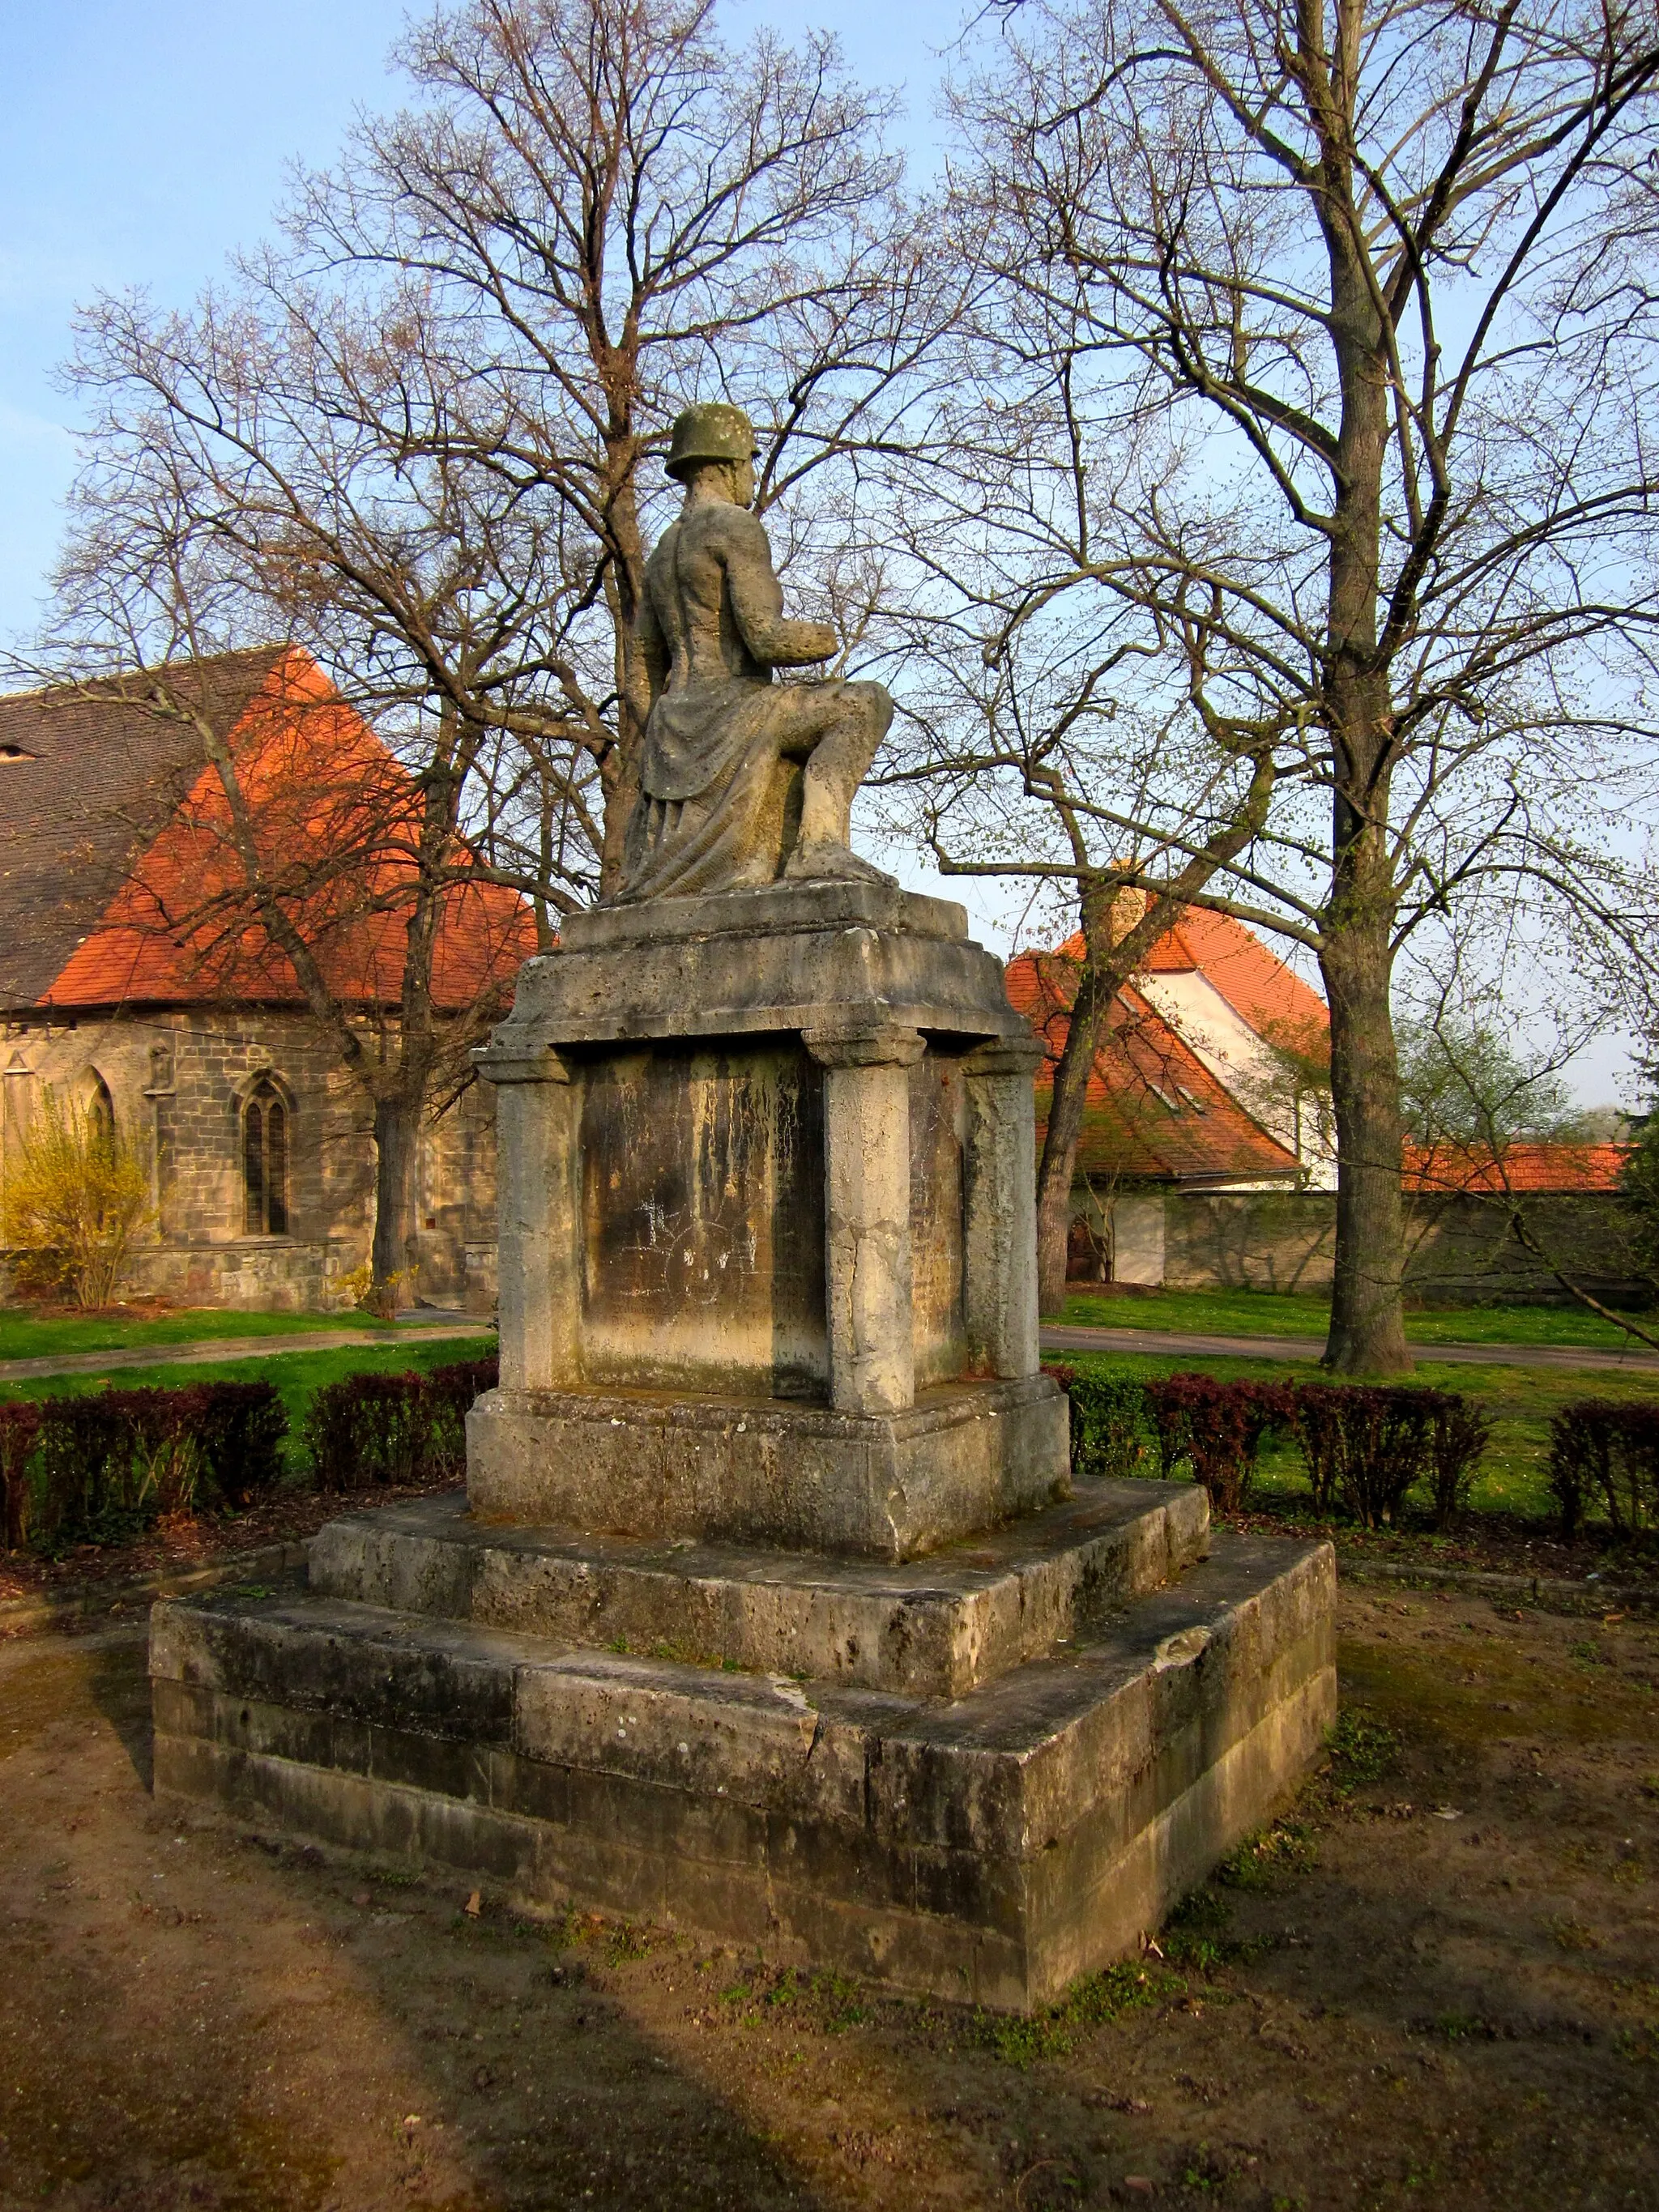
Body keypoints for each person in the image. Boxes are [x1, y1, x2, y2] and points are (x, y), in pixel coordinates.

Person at [614, 401, 895, 902]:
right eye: (749, 463)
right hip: (736, 706)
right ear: (729, 464)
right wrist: (826, 636)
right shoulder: (733, 527)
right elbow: (766, 638)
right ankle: (821, 845)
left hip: (674, 723)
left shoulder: (662, 551)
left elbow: (641, 664)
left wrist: (667, 726)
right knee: (864, 703)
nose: (750, 476)